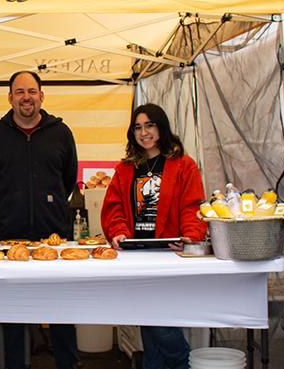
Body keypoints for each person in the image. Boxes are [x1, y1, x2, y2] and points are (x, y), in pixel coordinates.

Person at [0, 70, 79, 369]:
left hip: (54, 237)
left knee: (62, 314)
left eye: (31, 91)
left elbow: (68, 179)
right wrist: (11, 207)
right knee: (13, 315)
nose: (26, 97)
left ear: (41, 96)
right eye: (20, 92)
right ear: (10, 98)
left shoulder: (61, 133)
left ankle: (67, 365)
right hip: (10, 239)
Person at [100, 103, 207, 369]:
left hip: (170, 254)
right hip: (136, 254)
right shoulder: (125, 169)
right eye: (138, 127)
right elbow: (113, 208)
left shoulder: (183, 165)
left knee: (161, 322)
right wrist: (118, 232)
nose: (143, 132)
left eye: (149, 125)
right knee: (148, 318)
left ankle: (183, 363)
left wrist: (190, 237)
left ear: (161, 127)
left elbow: (192, 206)